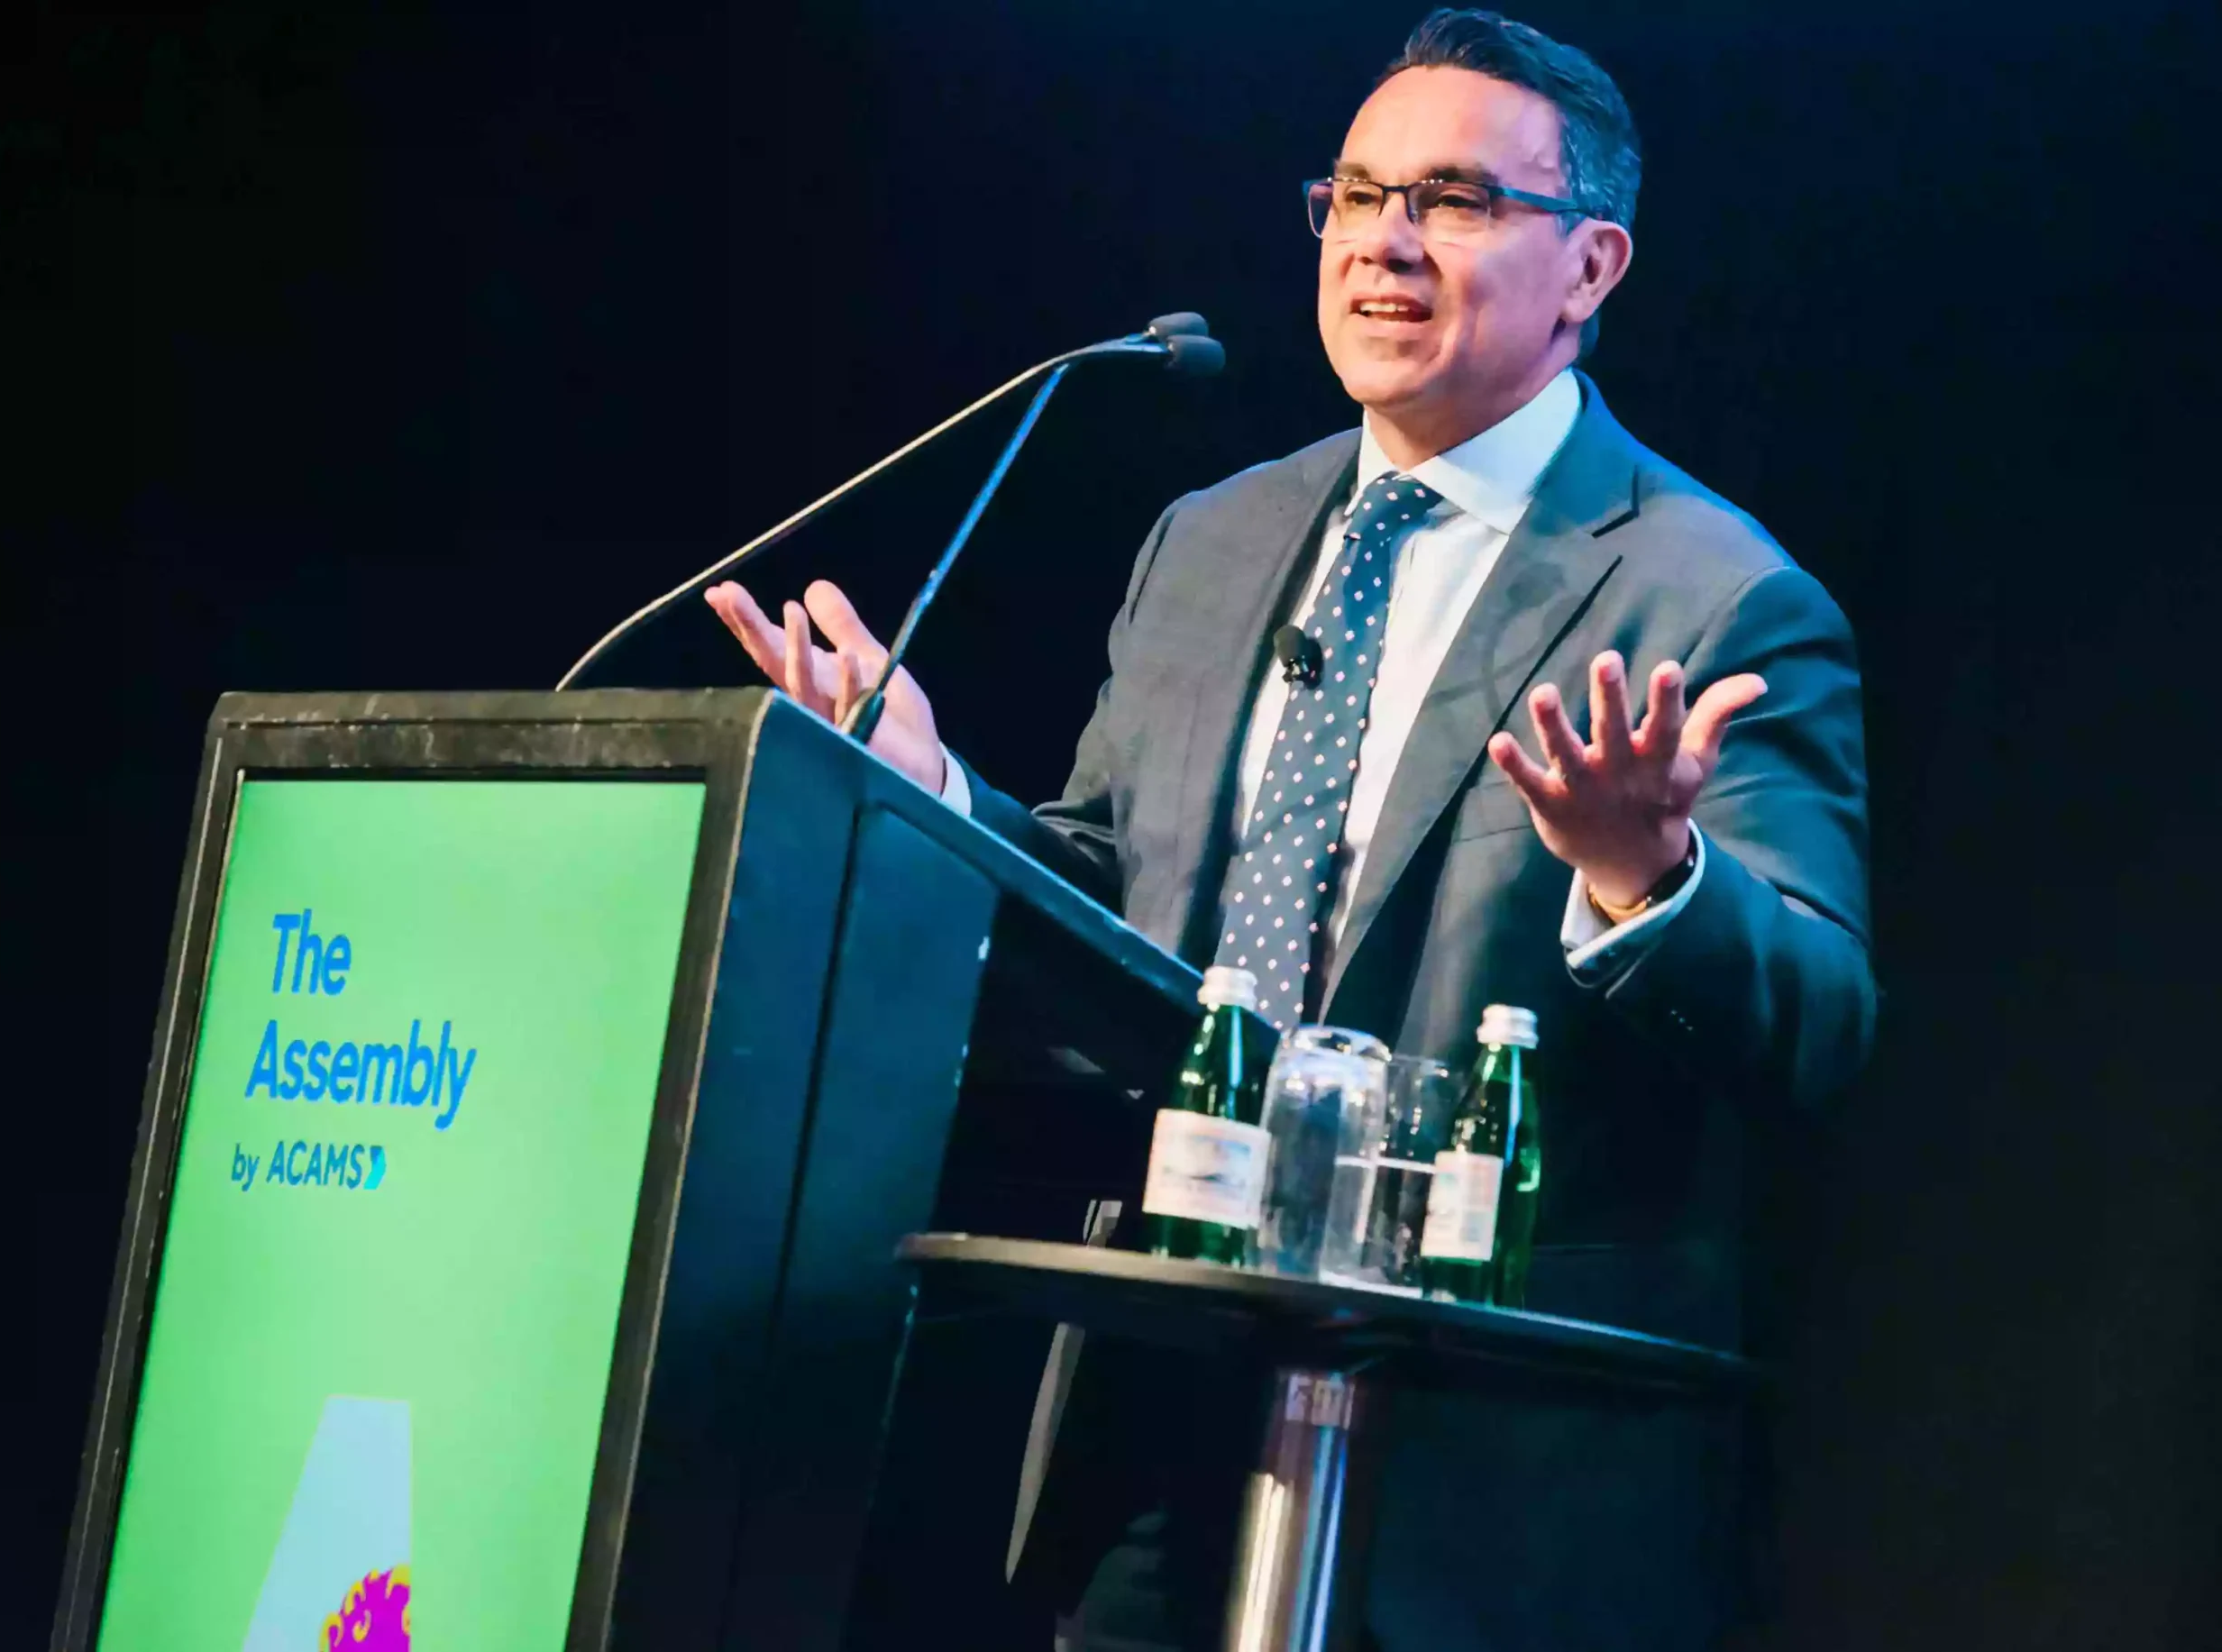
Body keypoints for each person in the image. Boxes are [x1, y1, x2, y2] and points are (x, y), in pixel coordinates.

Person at [709, 9, 1872, 1647]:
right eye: (1353, 194)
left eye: (1455, 201)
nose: (1383, 242)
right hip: (1157, 1390)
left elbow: (1819, 1025)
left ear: (1592, 266)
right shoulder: (1212, 539)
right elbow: (1115, 927)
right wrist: (941, 802)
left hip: (1484, 1455)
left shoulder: (1716, 594)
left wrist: (1645, 877)